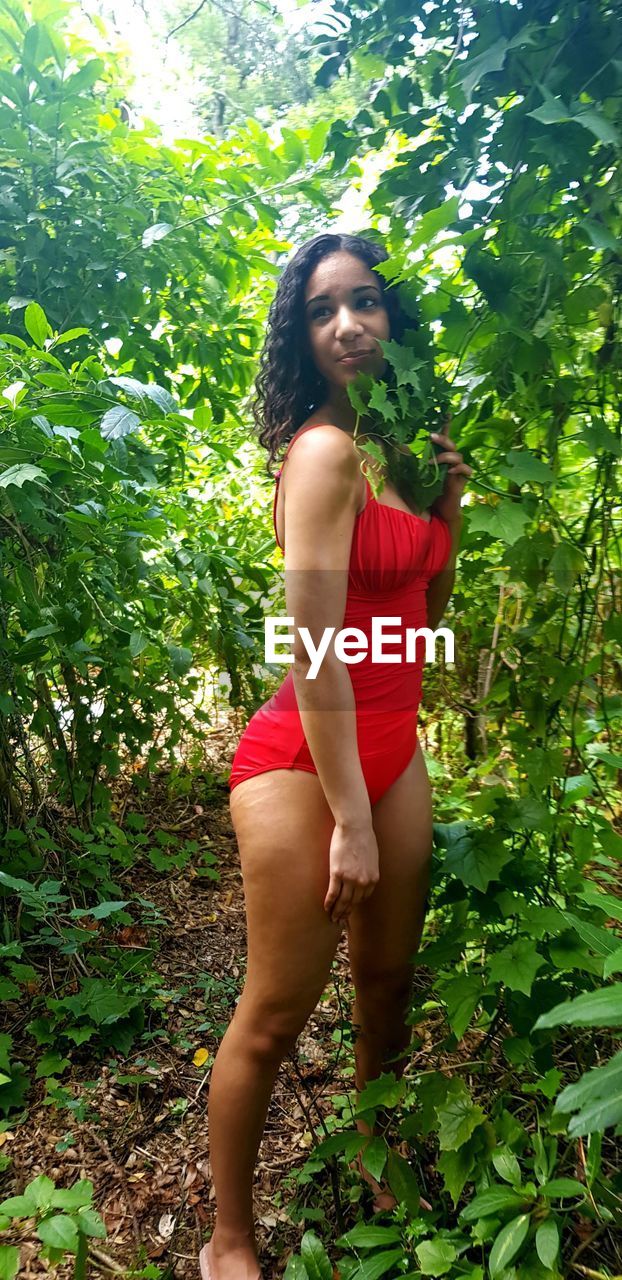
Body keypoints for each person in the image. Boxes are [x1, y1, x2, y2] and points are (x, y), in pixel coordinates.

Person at [199, 232, 472, 1280]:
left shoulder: (395, 454)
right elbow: (314, 649)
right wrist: (348, 817)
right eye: (322, 310)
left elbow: (419, 619)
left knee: (388, 979)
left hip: (390, 750)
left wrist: (445, 510)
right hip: (305, 762)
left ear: (394, 319)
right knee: (272, 1015)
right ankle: (230, 1236)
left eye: (365, 301)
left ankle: (373, 1146)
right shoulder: (319, 453)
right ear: (302, 337)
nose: (349, 323)